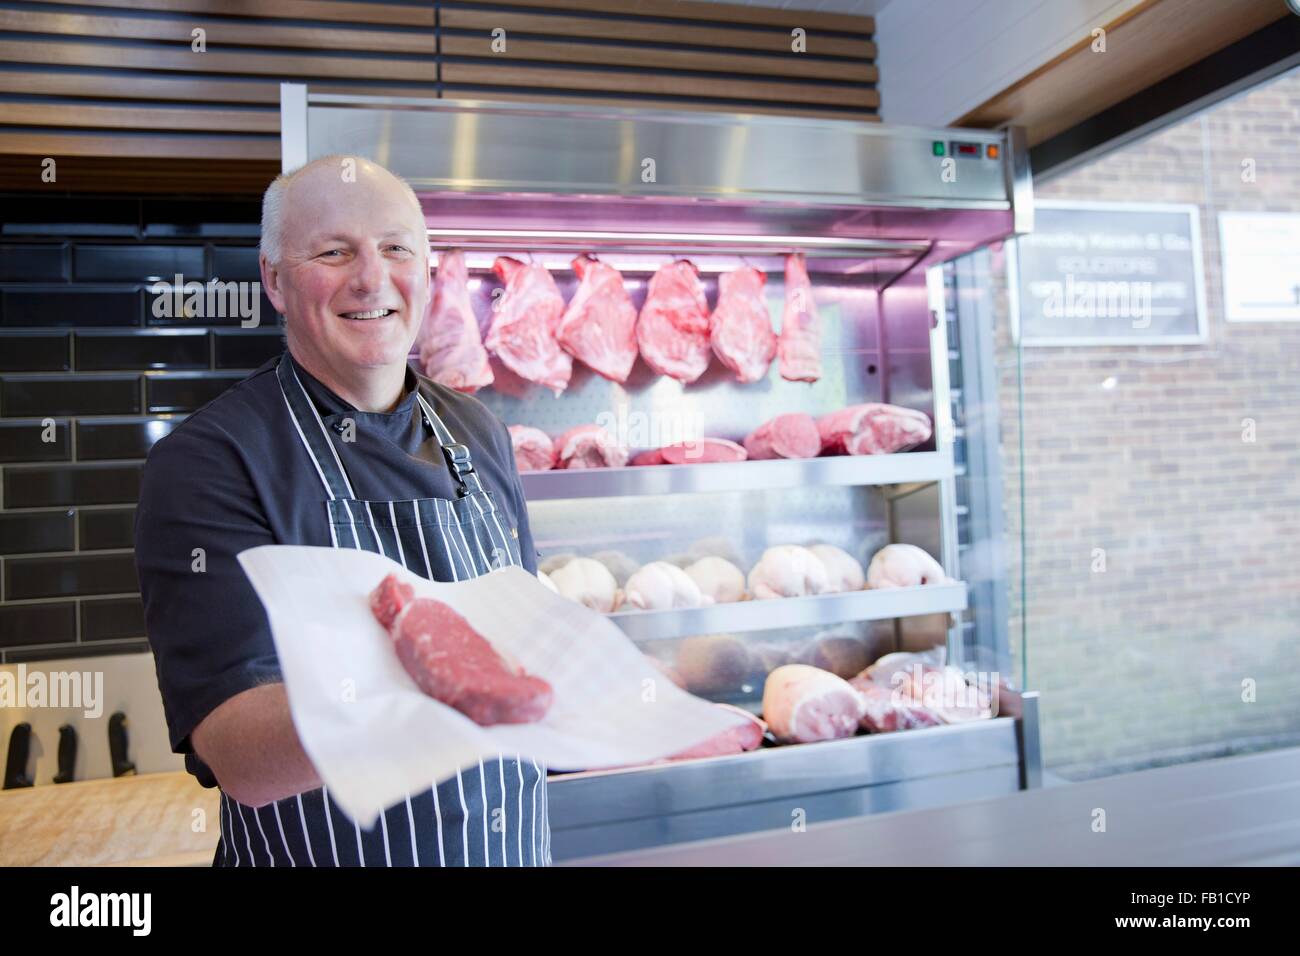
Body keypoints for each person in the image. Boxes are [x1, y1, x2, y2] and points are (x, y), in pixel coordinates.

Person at [135, 155, 549, 866]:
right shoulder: (210, 462)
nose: (371, 278)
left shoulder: (478, 432)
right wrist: (445, 689)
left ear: (425, 269)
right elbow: (241, 754)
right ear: (273, 279)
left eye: (396, 249)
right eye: (333, 252)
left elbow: (527, 629)